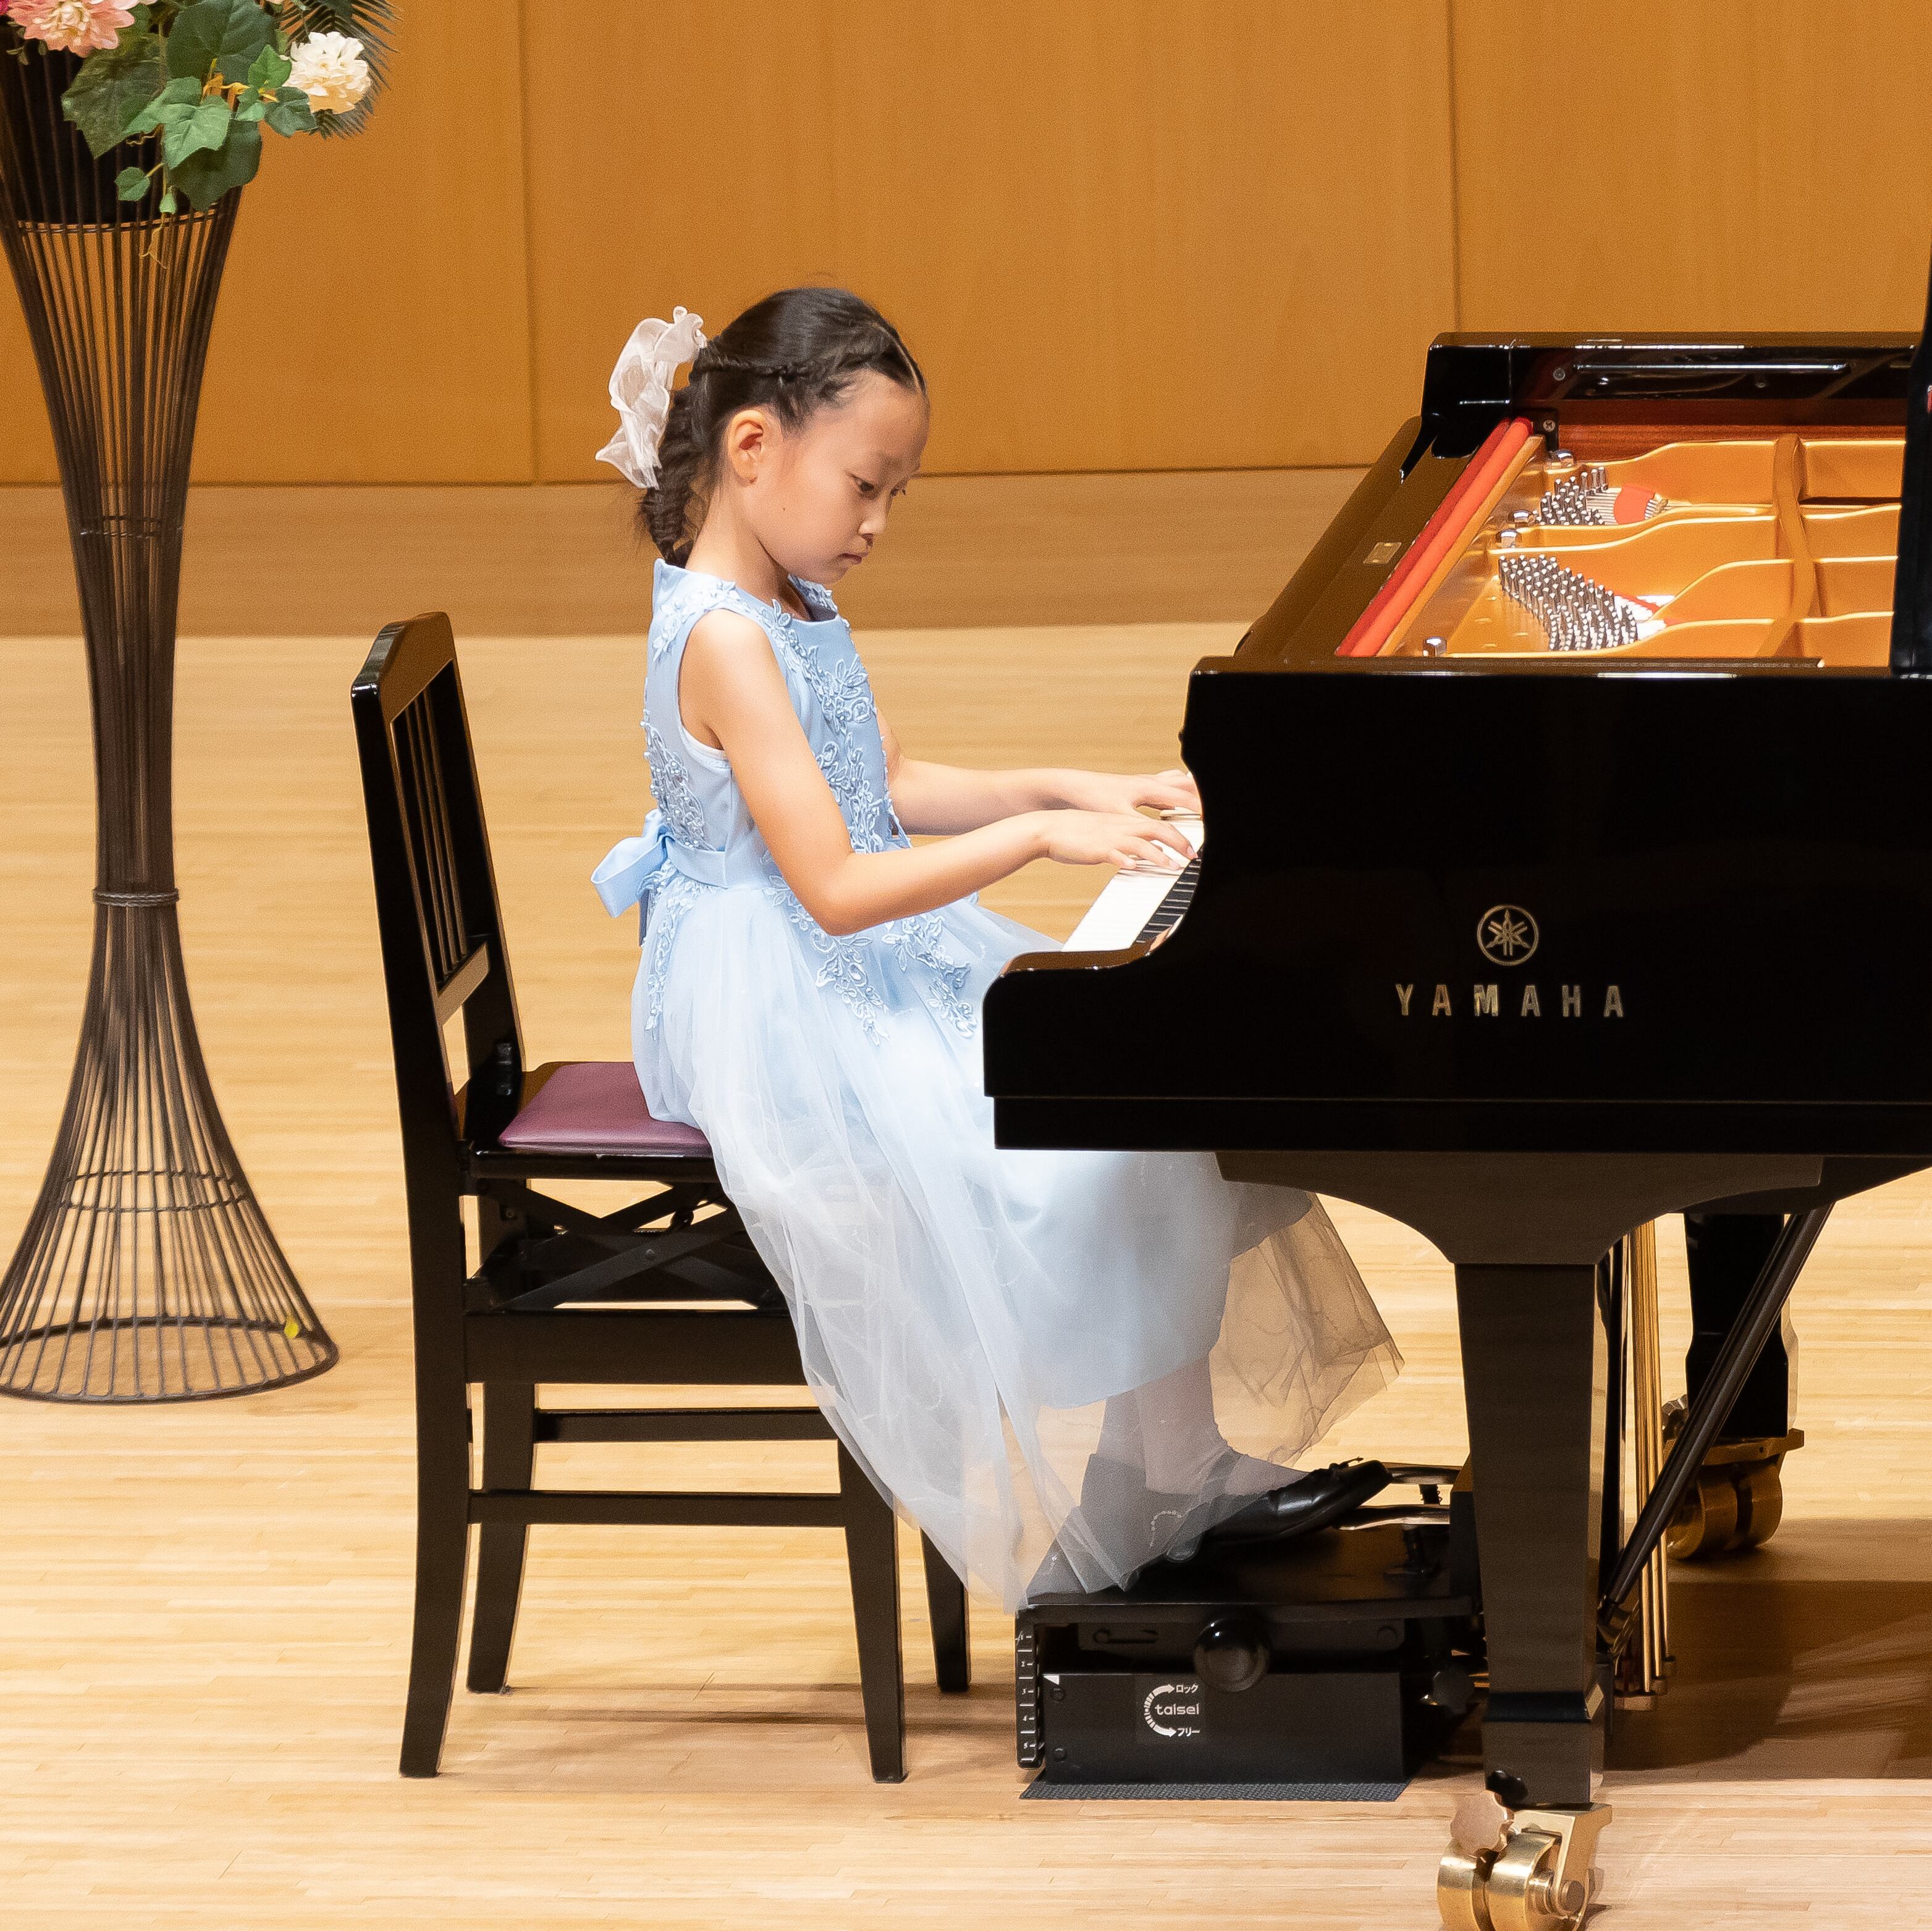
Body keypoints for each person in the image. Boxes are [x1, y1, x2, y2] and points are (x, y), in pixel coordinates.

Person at [591, 288, 1399, 1609]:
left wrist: (1078, 787)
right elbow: (837, 885)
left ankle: (1161, 1463)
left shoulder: (789, 595)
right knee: (1078, 1140)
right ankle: (1159, 1468)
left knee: (1131, 1078)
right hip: (783, 992)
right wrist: (1035, 837)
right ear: (752, 448)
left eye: (894, 494)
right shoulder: (726, 638)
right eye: (864, 485)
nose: (875, 522)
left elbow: (886, 782)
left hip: (850, 946)